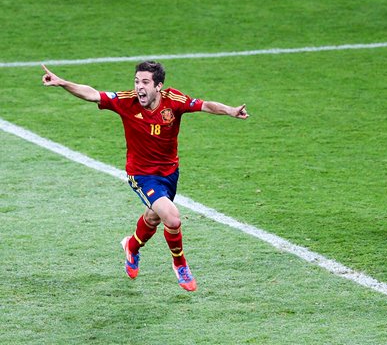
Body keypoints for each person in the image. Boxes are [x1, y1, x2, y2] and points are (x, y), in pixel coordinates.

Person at [42, 61, 249, 290]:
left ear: (158, 86)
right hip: (141, 174)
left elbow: (205, 105)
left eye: (145, 82)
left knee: (153, 217)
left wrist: (230, 110)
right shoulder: (126, 101)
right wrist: (62, 82)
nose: (139, 87)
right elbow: (92, 94)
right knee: (172, 217)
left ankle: (131, 246)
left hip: (169, 173)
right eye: (137, 81)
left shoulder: (174, 101)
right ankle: (180, 265)